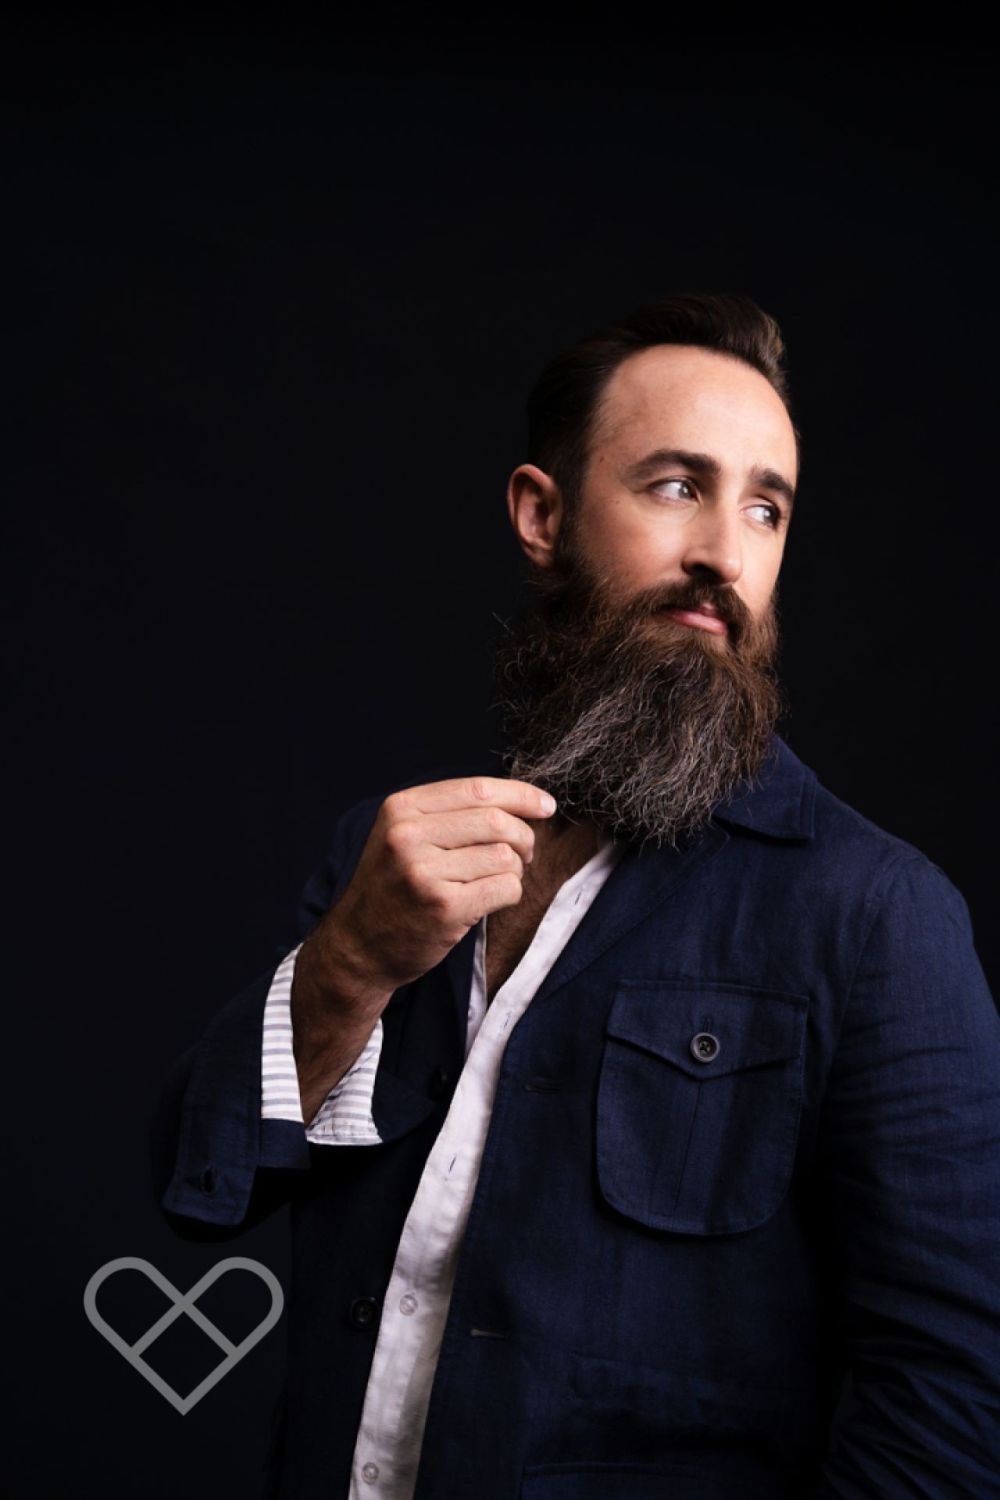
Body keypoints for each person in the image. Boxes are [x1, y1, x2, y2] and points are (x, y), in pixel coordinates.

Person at [150, 293, 1000, 1499]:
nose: (724, 554)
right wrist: (348, 962)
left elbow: (952, 1401)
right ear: (541, 516)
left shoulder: (876, 915)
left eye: (764, 508)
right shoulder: (392, 860)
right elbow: (199, 1181)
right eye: (676, 486)